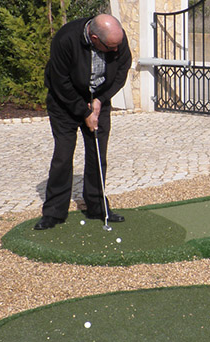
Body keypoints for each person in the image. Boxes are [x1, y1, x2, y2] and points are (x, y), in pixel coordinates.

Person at [34, 14, 132, 230]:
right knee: (63, 155)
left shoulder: (116, 38)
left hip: (98, 100)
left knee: (97, 154)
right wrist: (84, 111)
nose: (116, 49)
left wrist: (100, 100)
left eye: (117, 45)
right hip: (64, 102)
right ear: (94, 38)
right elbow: (60, 81)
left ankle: (97, 207)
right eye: (111, 47)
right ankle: (54, 213)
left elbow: (122, 71)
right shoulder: (66, 39)